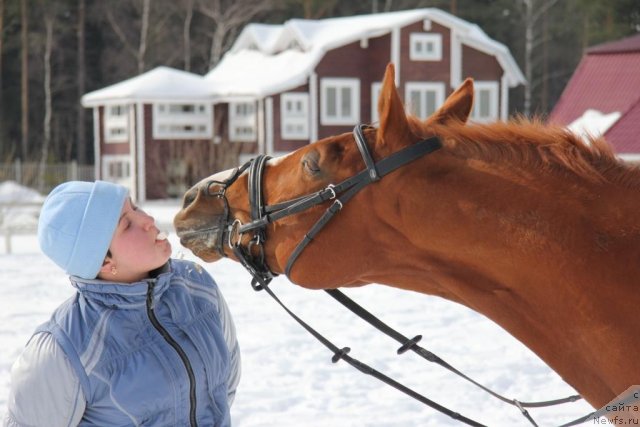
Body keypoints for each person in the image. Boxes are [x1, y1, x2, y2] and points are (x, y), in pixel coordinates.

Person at [3, 180, 240, 427]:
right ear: (105, 263)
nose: (147, 219)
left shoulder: (197, 287)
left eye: (135, 207)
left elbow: (223, 389)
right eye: (127, 224)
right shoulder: (66, 349)